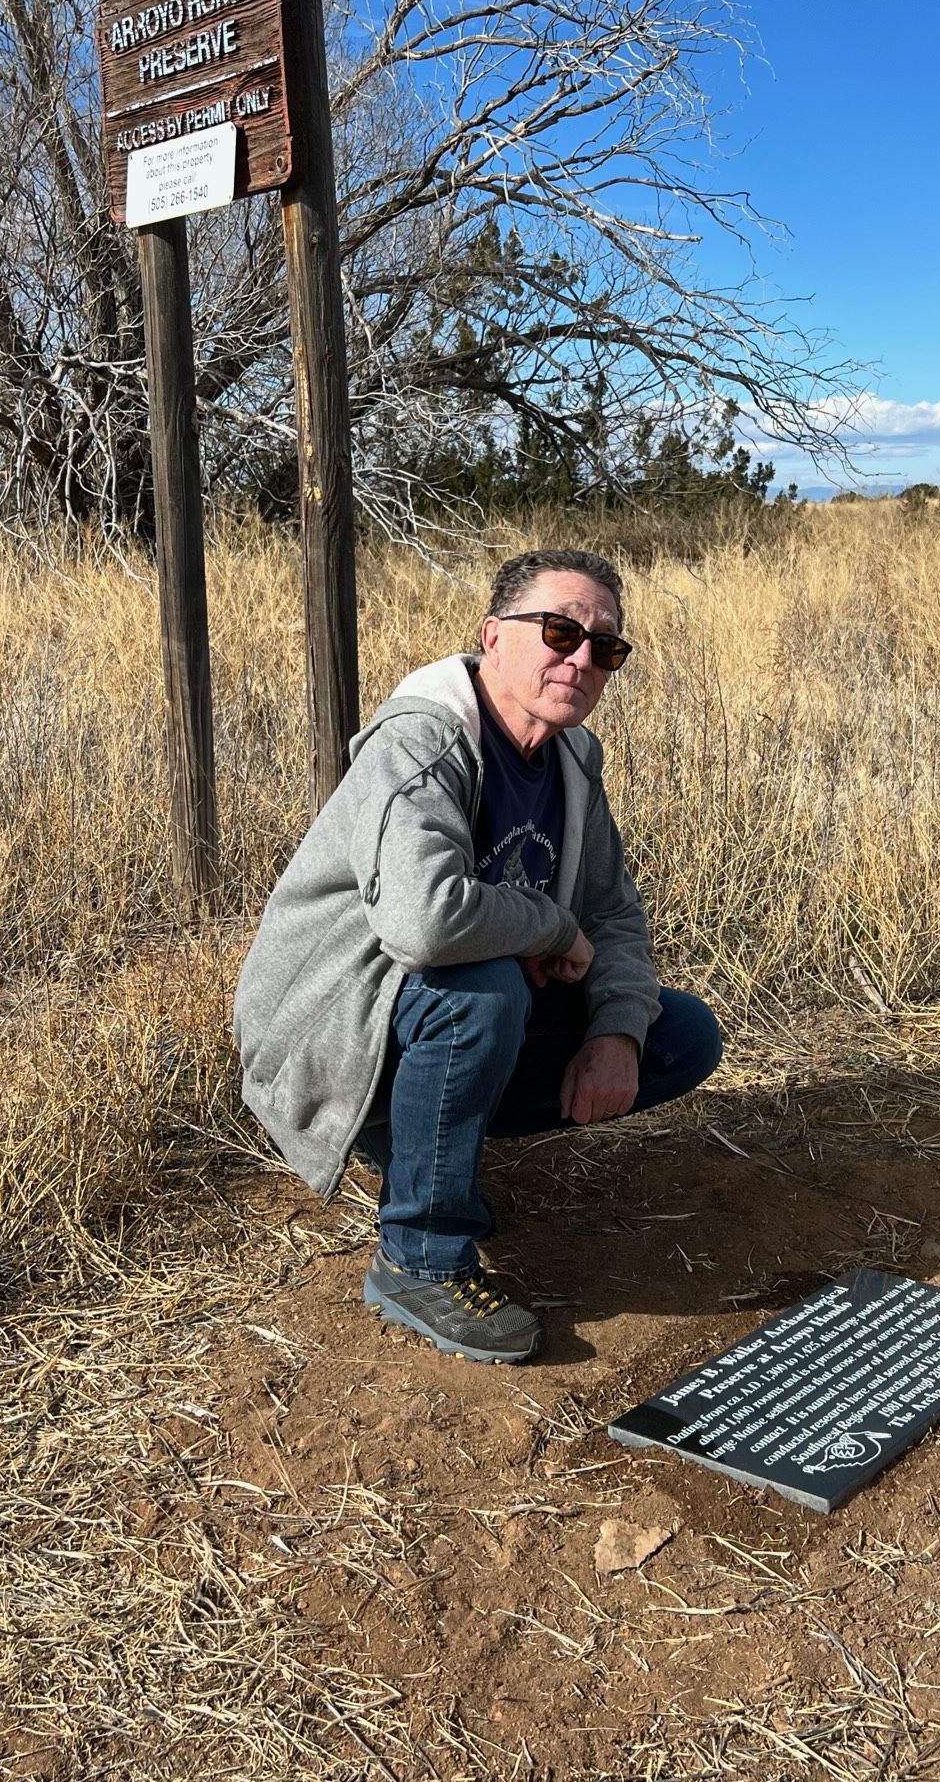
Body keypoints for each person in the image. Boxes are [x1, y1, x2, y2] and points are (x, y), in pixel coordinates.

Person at [234, 547, 722, 1364]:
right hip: (331, 1026)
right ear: (493, 637)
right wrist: (551, 931)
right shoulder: (424, 739)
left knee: (679, 1034)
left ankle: (425, 1148)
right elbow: (423, 924)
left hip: (440, 1008)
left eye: (605, 648)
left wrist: (616, 1033)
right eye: (560, 631)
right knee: (481, 991)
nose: (580, 658)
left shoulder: (570, 760)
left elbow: (614, 912)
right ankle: (420, 1255)